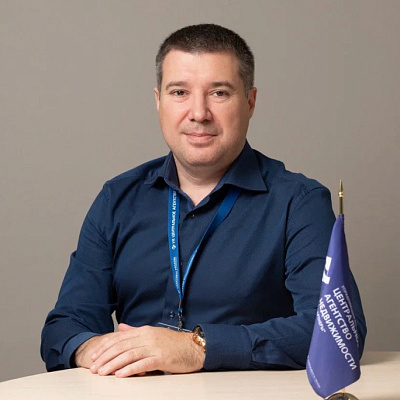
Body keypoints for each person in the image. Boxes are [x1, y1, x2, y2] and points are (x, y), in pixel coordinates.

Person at [41, 24, 366, 377]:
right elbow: (64, 327)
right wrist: (94, 350)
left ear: (250, 102)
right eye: (179, 92)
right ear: (158, 101)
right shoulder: (117, 198)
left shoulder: (299, 203)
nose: (198, 113)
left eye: (219, 93)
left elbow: (335, 332)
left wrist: (198, 348)